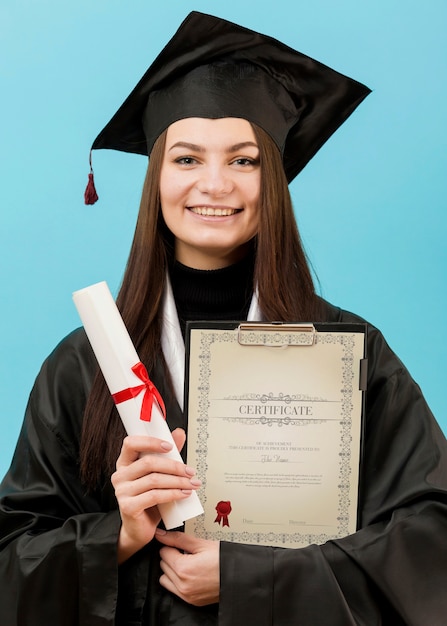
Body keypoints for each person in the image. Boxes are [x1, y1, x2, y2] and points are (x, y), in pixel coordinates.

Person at [1, 10, 446, 625]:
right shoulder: (85, 363)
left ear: (275, 179)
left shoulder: (348, 352)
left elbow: (430, 542)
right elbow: (10, 561)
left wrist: (252, 577)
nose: (215, 185)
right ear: (156, 177)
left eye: (244, 160)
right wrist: (119, 535)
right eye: (186, 159)